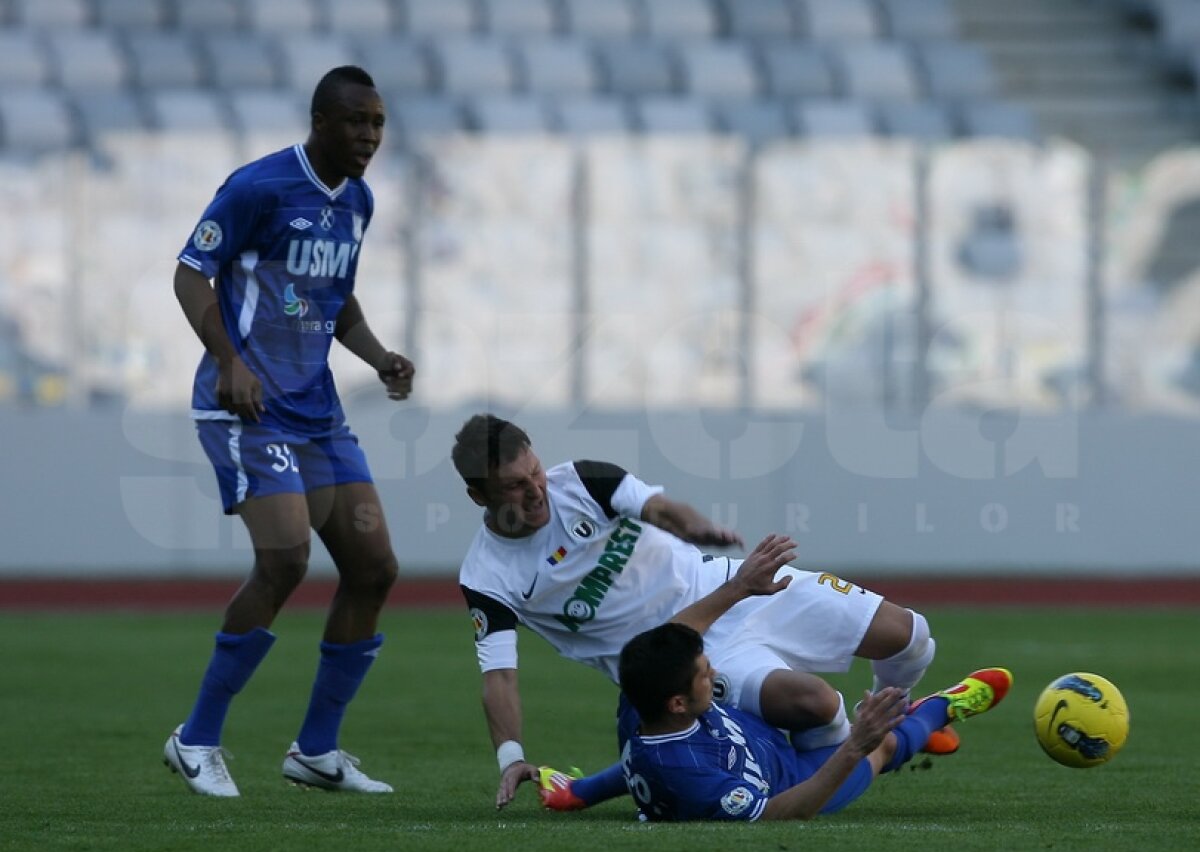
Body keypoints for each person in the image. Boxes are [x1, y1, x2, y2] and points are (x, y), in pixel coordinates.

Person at [451, 414, 950, 810]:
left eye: (534, 472)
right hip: (678, 654)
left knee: (909, 635)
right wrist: (511, 757)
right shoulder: (487, 575)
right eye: (514, 486)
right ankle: (861, 752)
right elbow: (499, 677)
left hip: (725, 583)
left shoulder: (580, 480)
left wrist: (699, 528)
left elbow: (661, 509)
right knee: (816, 704)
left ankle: (892, 714)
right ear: (479, 496)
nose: (536, 490)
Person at [162, 66, 414, 797]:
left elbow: (334, 297)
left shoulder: (357, 201)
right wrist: (228, 360)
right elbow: (188, 273)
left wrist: (379, 355)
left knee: (374, 567)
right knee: (286, 559)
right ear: (320, 121)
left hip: (317, 411)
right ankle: (197, 738)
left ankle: (316, 751)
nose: (370, 136)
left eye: (378, 123)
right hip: (246, 406)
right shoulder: (259, 187)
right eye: (357, 122)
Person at [540, 623, 1010, 822]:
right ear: (679, 703)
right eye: (705, 676)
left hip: (763, 739)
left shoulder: (643, 705)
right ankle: (943, 706)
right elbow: (782, 814)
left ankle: (884, 729)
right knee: (881, 746)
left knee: (818, 701)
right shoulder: (686, 772)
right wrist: (854, 746)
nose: (715, 675)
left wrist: (579, 793)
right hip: (796, 782)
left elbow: (632, 766)